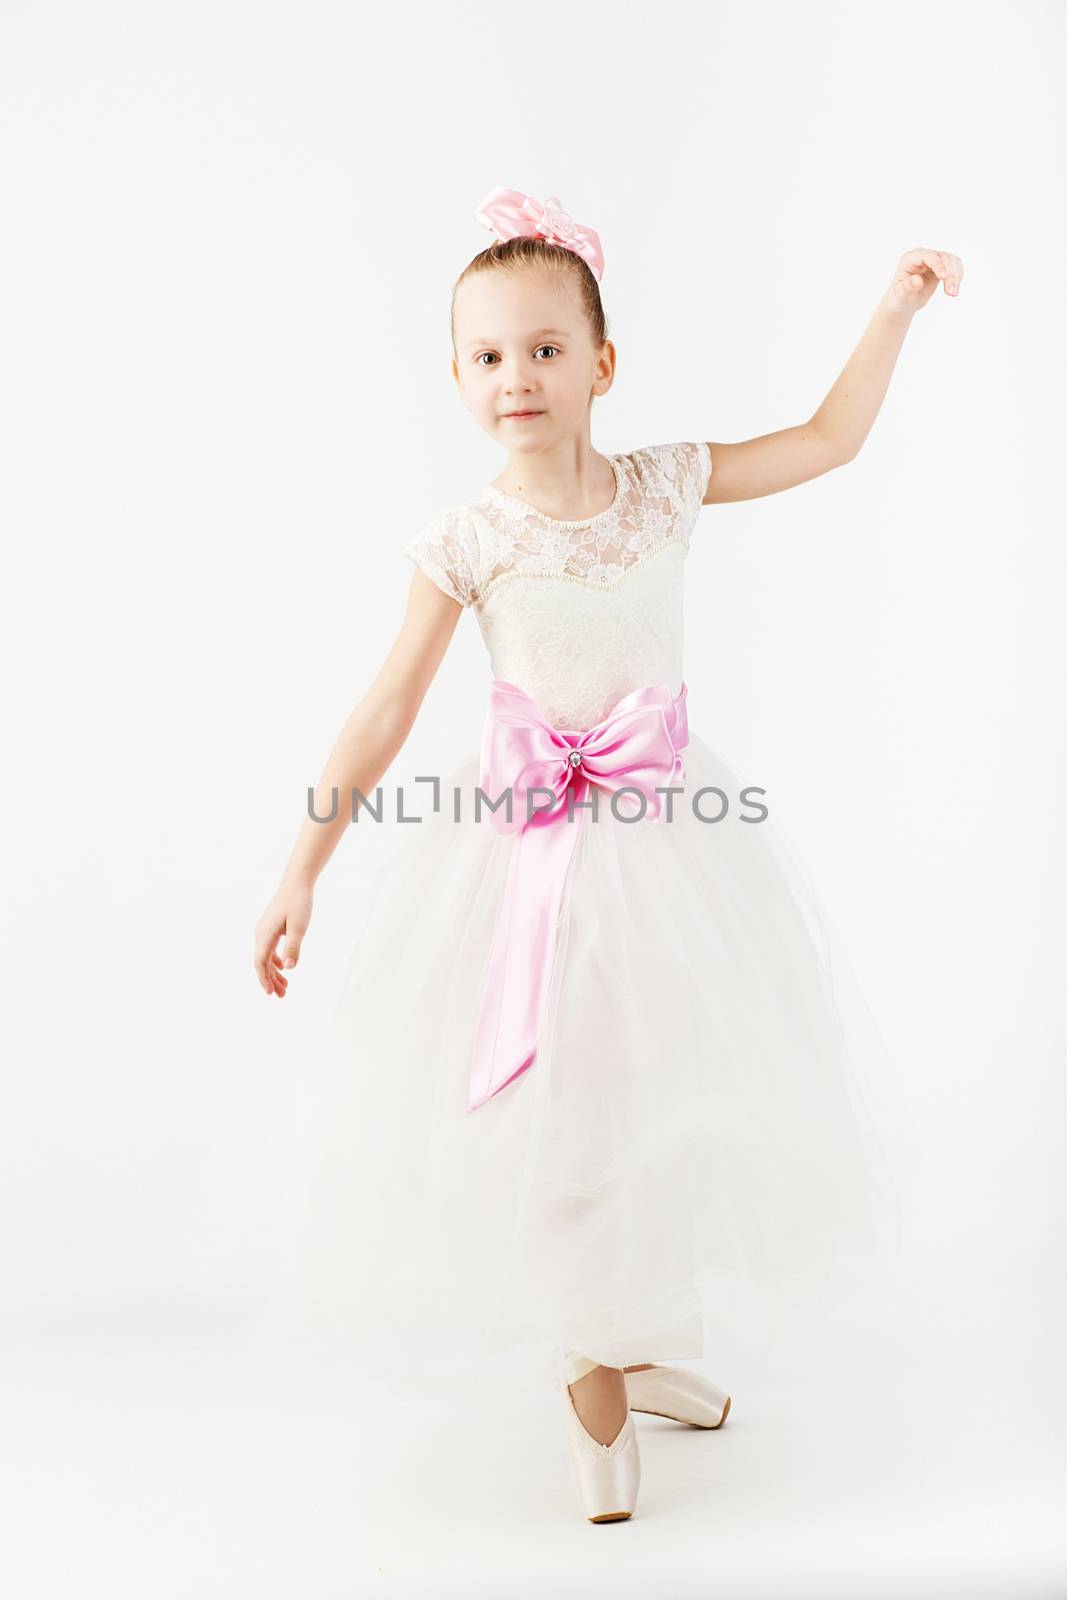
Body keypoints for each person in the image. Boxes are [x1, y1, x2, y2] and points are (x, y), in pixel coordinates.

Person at [252, 187, 963, 1522]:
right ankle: (588, 1370)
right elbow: (386, 707)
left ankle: (631, 1340)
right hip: (521, 858)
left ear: (600, 364)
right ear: (458, 377)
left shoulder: (664, 487)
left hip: (667, 850)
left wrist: (894, 311)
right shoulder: (468, 541)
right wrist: (303, 866)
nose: (515, 376)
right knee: (564, 1112)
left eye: (544, 348)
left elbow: (826, 440)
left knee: (658, 1093)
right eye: (485, 355)